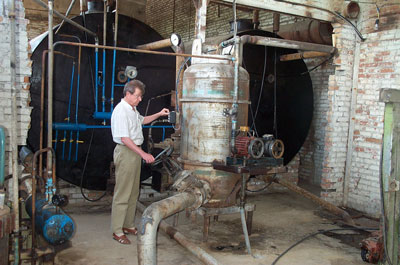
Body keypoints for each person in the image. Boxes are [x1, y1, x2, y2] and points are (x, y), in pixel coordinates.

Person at [110, 79, 169, 244]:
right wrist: (143, 153)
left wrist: (158, 114)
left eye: (141, 96)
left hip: (134, 152)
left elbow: (142, 120)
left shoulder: (132, 109)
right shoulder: (121, 110)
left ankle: (128, 225)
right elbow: (124, 138)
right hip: (127, 151)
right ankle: (117, 230)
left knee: (133, 192)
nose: (140, 99)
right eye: (137, 96)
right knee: (123, 193)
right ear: (128, 94)